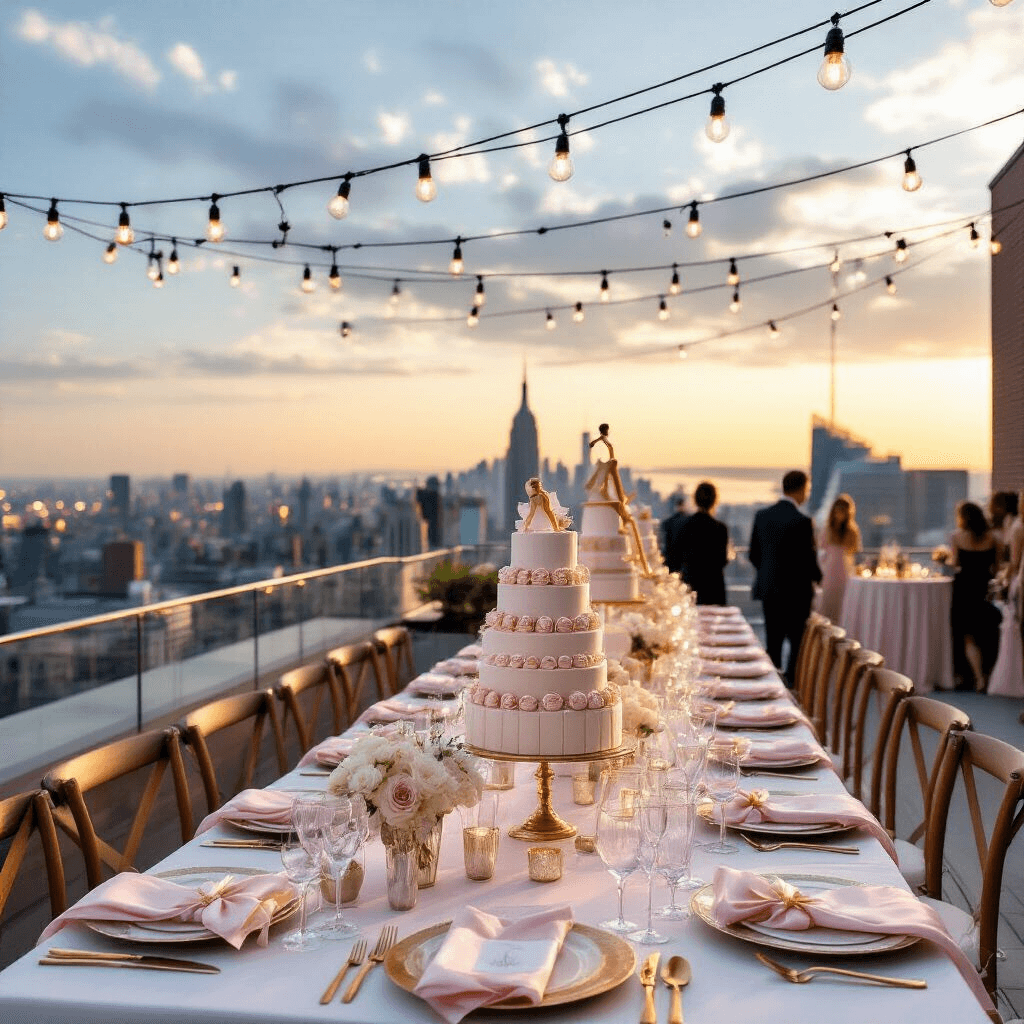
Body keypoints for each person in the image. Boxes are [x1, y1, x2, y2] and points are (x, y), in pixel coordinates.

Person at [748, 470, 822, 686]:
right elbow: (809, 560)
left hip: (770, 590)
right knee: (797, 645)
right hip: (796, 593)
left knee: (773, 642)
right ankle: (791, 686)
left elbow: (754, 554)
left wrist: (769, 572)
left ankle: (770, 686)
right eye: (807, 490)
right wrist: (819, 578)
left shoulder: (762, 516)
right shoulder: (803, 521)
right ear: (801, 489)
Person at [949, 500, 1000, 692]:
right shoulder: (993, 538)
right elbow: (996, 567)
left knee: (967, 636)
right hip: (983, 589)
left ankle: (977, 678)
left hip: (963, 589)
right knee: (986, 634)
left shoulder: (957, 537)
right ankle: (987, 674)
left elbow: (955, 564)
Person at [676, 481, 729, 605]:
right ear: (715, 501)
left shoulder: (684, 526)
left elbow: (676, 557)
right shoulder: (720, 528)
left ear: (695, 500)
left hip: (689, 584)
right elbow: (722, 560)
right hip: (713, 586)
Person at [817, 494, 861, 622]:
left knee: (845, 607)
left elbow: (854, 552)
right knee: (828, 607)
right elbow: (822, 551)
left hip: (845, 573)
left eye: (843, 512)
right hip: (829, 572)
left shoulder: (852, 531)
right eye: (838, 511)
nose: (839, 515)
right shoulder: (827, 530)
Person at [661, 494, 690, 575]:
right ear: (684, 505)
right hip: (684, 561)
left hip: (670, 559)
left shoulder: (668, 522)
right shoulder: (689, 521)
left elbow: (665, 541)